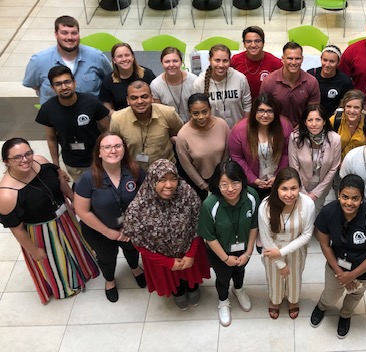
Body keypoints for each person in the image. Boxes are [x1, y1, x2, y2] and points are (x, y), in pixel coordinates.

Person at [0, 138, 99, 304]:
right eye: (17, 157)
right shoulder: (7, 194)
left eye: (27, 153)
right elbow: (17, 229)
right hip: (41, 230)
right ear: (6, 162)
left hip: (64, 215)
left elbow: (60, 183)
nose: (25, 160)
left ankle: (84, 269)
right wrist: (34, 250)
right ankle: (67, 286)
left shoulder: (41, 161)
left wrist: (73, 200)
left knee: (76, 246)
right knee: (55, 258)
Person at [123, 159, 210, 310]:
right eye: (162, 179)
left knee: (191, 279)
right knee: (175, 285)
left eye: (173, 179)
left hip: (188, 251)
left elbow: (198, 224)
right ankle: (178, 292)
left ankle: (192, 287)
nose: (169, 185)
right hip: (162, 259)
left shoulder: (186, 193)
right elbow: (138, 243)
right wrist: (167, 262)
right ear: (151, 180)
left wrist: (190, 254)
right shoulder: (138, 207)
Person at [310, 174, 366, 339]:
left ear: (362, 199)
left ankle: (345, 315)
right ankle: (322, 306)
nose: (349, 203)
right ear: (338, 194)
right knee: (331, 295)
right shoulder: (328, 212)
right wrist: (340, 273)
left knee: (355, 294)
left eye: (355, 198)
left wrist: (352, 275)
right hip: (336, 266)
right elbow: (324, 244)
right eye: (345, 197)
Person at [74, 132, 147, 302]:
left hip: (130, 227)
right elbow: (82, 211)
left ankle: (135, 268)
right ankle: (109, 280)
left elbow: (146, 200)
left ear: (124, 149)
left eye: (117, 146)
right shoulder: (87, 178)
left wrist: (132, 226)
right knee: (107, 258)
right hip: (99, 230)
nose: (112, 151)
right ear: (99, 152)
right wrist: (108, 232)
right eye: (107, 147)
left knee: (132, 249)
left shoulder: (135, 170)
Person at [197, 160, 259, 326]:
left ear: (242, 181)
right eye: (224, 184)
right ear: (217, 184)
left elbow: (254, 225)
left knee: (240, 271)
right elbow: (209, 237)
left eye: (235, 182)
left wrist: (248, 252)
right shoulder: (210, 205)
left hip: (243, 249)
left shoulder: (252, 196)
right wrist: (225, 258)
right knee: (223, 277)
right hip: (219, 252)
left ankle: (238, 289)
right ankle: (223, 301)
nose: (230, 189)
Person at [36, 65, 110, 183]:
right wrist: (57, 167)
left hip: (98, 158)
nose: (64, 87)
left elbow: (107, 131)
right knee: (84, 190)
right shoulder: (48, 109)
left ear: (74, 82)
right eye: (58, 84)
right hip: (72, 162)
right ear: (52, 88)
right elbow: (51, 139)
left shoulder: (91, 102)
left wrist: (108, 154)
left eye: (67, 82)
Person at [258, 168, 315, 320]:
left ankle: (293, 300)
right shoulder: (265, 206)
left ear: (299, 188)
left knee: (295, 277)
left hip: (296, 249)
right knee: (274, 278)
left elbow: (307, 234)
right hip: (272, 250)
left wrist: (282, 253)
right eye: (284, 188)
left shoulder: (308, 204)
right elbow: (265, 237)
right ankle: (275, 300)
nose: (289, 194)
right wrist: (280, 262)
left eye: (293, 188)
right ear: (276, 188)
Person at [22, 15, 112, 104]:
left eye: (74, 33)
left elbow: (110, 81)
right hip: (55, 116)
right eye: (64, 33)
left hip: (92, 114)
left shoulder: (96, 57)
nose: (70, 37)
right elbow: (34, 85)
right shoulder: (38, 61)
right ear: (56, 34)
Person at [228, 93, 294, 199]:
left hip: (277, 181)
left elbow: (287, 153)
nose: (265, 115)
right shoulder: (239, 130)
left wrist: (278, 176)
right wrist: (253, 179)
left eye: (269, 111)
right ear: (254, 111)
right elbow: (237, 157)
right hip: (251, 183)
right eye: (261, 110)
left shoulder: (285, 126)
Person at [110, 81, 183, 169]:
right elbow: (114, 148)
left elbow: (180, 134)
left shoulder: (168, 113)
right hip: (134, 172)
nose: (140, 101)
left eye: (144, 97)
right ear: (128, 100)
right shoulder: (117, 119)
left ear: (152, 98)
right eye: (134, 98)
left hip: (166, 171)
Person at [288, 104, 342, 216]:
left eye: (318, 120)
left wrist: (316, 193)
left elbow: (333, 168)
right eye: (310, 120)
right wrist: (302, 191)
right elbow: (294, 166)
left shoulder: (335, 139)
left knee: (315, 213)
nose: (314, 124)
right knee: (299, 213)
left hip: (322, 185)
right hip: (300, 184)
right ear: (304, 122)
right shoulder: (295, 138)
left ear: (324, 121)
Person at [176, 93, 230, 201]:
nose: (201, 117)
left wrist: (222, 175)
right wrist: (204, 186)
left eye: (205, 112)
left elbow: (227, 151)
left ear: (210, 109)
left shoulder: (222, 125)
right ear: (189, 113)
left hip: (224, 177)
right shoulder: (183, 135)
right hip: (200, 184)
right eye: (195, 113)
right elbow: (187, 166)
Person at [260, 42, 321, 127]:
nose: (294, 62)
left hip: (302, 129)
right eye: (290, 58)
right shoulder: (269, 81)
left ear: (302, 59)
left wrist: (298, 130)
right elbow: (264, 111)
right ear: (282, 59)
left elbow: (312, 113)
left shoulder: (311, 82)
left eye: (297, 58)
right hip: (275, 128)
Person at [193, 44, 252, 128]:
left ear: (230, 61)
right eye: (217, 60)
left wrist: (243, 127)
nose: (221, 65)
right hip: (212, 132)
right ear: (210, 60)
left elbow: (247, 105)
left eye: (225, 61)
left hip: (237, 130)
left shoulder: (240, 79)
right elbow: (196, 110)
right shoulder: (199, 83)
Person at [100, 42, 155, 112]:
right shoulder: (108, 81)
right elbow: (107, 108)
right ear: (114, 60)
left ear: (133, 57)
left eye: (127, 55)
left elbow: (155, 99)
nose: (124, 59)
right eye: (119, 56)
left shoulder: (147, 74)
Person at [231, 26, 282, 99]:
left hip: (265, 107)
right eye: (249, 41)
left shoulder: (276, 63)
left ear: (263, 43)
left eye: (257, 41)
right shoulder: (235, 60)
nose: (253, 45)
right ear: (244, 44)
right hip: (241, 105)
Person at [150, 47, 198, 123]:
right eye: (167, 61)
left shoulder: (193, 80)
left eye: (175, 61)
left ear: (181, 62)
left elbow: (199, 106)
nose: (171, 65)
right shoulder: (155, 85)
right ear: (162, 63)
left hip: (193, 123)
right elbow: (158, 112)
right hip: (169, 125)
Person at [307, 45, 353, 117]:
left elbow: (343, 105)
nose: (327, 65)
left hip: (333, 118)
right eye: (325, 60)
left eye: (332, 61)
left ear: (338, 62)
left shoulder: (345, 81)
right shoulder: (311, 74)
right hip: (312, 117)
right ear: (321, 59)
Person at [330, 89, 366, 160]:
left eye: (356, 107)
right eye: (348, 106)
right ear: (344, 107)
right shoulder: (335, 120)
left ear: (362, 109)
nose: (352, 111)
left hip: (359, 164)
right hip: (337, 165)